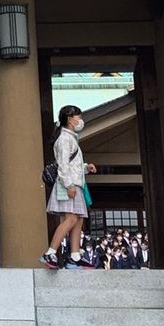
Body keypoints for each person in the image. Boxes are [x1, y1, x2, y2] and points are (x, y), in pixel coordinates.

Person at [41, 105, 95, 270]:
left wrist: (86, 168)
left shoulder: (70, 138)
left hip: (73, 183)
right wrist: (69, 184)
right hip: (68, 184)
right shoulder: (65, 139)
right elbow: (63, 165)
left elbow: (72, 164)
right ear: (70, 119)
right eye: (78, 117)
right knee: (71, 218)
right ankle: (50, 252)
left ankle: (75, 255)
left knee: (78, 219)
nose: (80, 120)